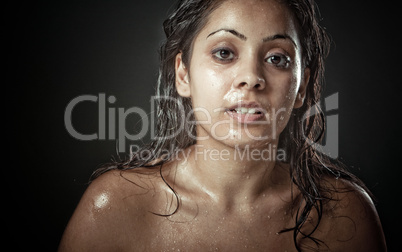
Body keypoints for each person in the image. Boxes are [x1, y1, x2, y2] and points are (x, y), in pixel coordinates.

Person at [58, 0, 387, 251]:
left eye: (277, 58)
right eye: (225, 52)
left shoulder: (345, 217)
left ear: (302, 86)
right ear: (183, 74)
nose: (251, 78)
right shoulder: (115, 206)